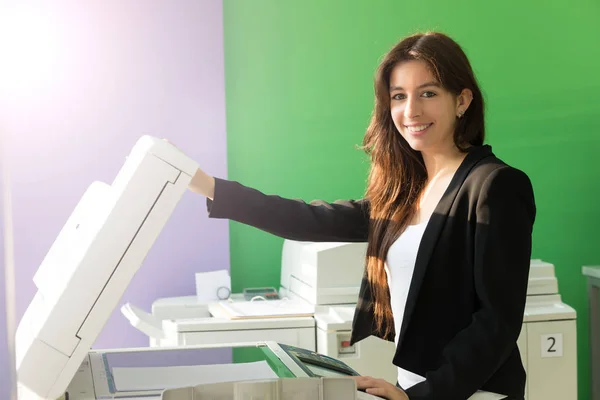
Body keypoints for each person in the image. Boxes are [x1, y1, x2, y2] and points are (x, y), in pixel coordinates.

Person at [186, 32, 535, 400]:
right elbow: (306, 219)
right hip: (415, 387)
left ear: (462, 100)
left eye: (428, 93)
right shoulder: (404, 192)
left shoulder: (495, 185)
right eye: (398, 96)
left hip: (474, 393)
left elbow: (496, 322)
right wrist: (208, 185)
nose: (410, 111)